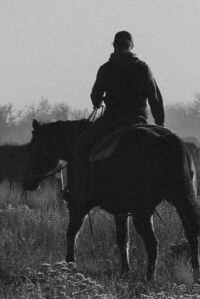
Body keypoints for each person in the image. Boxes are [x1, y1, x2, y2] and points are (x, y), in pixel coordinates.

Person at [65, 30, 165, 204]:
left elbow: (95, 95)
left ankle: (80, 192)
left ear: (114, 46)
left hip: (112, 121)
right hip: (138, 120)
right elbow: (154, 96)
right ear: (131, 45)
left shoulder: (107, 68)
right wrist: (159, 122)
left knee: (80, 147)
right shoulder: (143, 67)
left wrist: (97, 101)